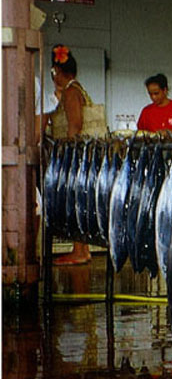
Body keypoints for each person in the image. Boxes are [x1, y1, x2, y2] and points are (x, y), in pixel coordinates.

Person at [47, 44, 92, 265]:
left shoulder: (72, 92)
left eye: (54, 72)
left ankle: (80, 250)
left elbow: (75, 125)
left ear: (58, 72)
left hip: (75, 155)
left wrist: (68, 155)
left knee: (76, 201)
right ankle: (81, 249)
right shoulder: (74, 90)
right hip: (78, 155)